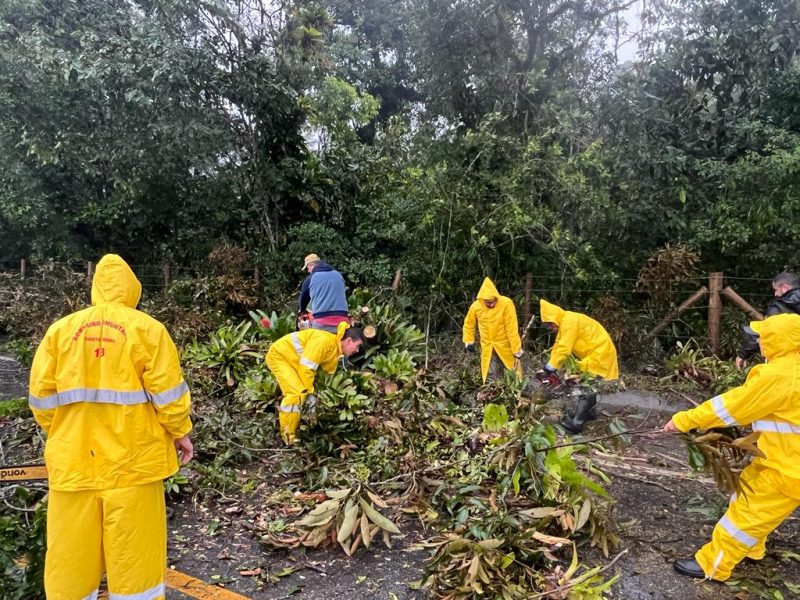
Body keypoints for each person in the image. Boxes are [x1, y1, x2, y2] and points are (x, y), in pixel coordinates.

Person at [28, 254, 193, 600]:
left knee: (70, 561)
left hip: (74, 466)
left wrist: (66, 435)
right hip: (134, 467)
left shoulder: (60, 332)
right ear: (133, 289)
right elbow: (168, 394)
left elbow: (40, 399)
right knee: (135, 565)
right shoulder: (148, 330)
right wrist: (180, 432)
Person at [664, 313, 800, 582]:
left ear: (781, 340)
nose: (759, 341)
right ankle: (751, 548)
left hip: (789, 469)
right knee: (746, 495)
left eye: (765, 336)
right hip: (779, 458)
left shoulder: (780, 376)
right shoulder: (792, 369)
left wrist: (683, 420)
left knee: (745, 517)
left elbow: (731, 407)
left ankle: (713, 566)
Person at [266, 322, 365, 444]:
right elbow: (307, 368)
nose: (357, 350)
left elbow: (322, 376)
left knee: (301, 393)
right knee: (296, 394)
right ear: (349, 341)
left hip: (293, 361)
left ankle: (295, 429)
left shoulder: (335, 351)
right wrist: (310, 393)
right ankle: (288, 437)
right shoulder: (323, 341)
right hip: (279, 357)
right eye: (357, 346)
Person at [539, 299, 618, 433]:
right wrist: (549, 366)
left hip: (599, 353)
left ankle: (577, 423)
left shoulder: (569, 322)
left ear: (554, 319)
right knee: (591, 385)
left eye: (550, 325)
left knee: (586, 387)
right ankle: (589, 415)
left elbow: (564, 348)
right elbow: (558, 346)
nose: (551, 328)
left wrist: (550, 368)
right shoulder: (565, 321)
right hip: (596, 353)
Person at [462, 277, 523, 383]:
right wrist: (468, 341)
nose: (491, 304)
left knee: (513, 374)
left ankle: (516, 395)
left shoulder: (506, 303)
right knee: (490, 376)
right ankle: (492, 395)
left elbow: (512, 327)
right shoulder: (476, 307)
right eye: (488, 302)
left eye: (493, 301)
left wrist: (516, 348)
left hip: (505, 346)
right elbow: (469, 324)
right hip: (488, 347)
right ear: (482, 300)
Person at [735, 271, 800, 370]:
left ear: (785, 287)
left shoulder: (781, 306)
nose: (775, 294)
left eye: (776, 290)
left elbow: (765, 332)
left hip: (789, 363)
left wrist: (743, 355)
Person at [298, 253, 350, 333]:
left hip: (322, 323)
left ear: (311, 265)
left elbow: (303, 300)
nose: (308, 271)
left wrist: (301, 310)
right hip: (343, 321)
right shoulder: (338, 275)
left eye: (307, 267)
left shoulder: (311, 278)